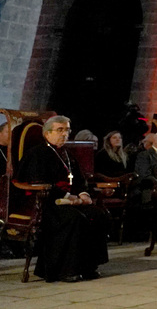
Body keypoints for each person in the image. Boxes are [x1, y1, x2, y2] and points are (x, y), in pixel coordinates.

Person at [16, 115, 109, 282]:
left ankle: (88, 267)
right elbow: (38, 182)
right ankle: (65, 270)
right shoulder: (37, 153)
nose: (65, 134)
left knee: (98, 214)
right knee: (73, 219)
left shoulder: (66, 153)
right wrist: (67, 196)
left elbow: (79, 179)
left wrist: (83, 194)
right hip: (45, 202)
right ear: (47, 133)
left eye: (67, 130)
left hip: (69, 200)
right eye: (60, 130)